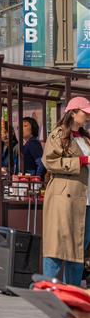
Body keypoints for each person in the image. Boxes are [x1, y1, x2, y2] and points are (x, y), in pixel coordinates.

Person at [41, 96, 90, 285]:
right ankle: (49, 288)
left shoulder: (85, 137)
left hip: (84, 198)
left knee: (79, 246)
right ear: (73, 113)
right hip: (65, 196)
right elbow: (50, 162)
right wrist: (81, 161)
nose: (87, 116)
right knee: (58, 244)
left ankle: (73, 290)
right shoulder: (59, 135)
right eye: (83, 112)